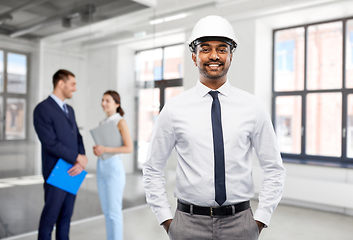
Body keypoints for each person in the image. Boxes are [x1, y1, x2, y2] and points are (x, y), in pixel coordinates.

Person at [143, 15, 286, 240]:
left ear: (231, 56)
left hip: (240, 223)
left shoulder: (252, 106)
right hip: (188, 223)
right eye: (205, 48)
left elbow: (274, 167)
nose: (214, 56)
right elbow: (152, 168)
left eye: (222, 48)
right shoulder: (174, 108)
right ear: (194, 56)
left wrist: (259, 220)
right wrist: (167, 220)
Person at [33, 69, 88, 240]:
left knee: (65, 219)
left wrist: (81, 159)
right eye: (73, 84)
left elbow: (77, 137)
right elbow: (49, 143)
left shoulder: (69, 110)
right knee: (50, 219)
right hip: (56, 172)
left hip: (74, 171)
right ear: (61, 83)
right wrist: (77, 157)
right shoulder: (42, 109)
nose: (75, 89)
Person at [93, 90, 133, 240]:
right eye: (102, 100)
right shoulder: (103, 123)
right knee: (107, 212)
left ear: (117, 104)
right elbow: (104, 147)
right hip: (101, 166)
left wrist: (105, 149)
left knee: (114, 212)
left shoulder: (120, 122)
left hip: (114, 168)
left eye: (107, 100)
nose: (103, 103)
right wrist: (99, 150)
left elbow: (128, 148)